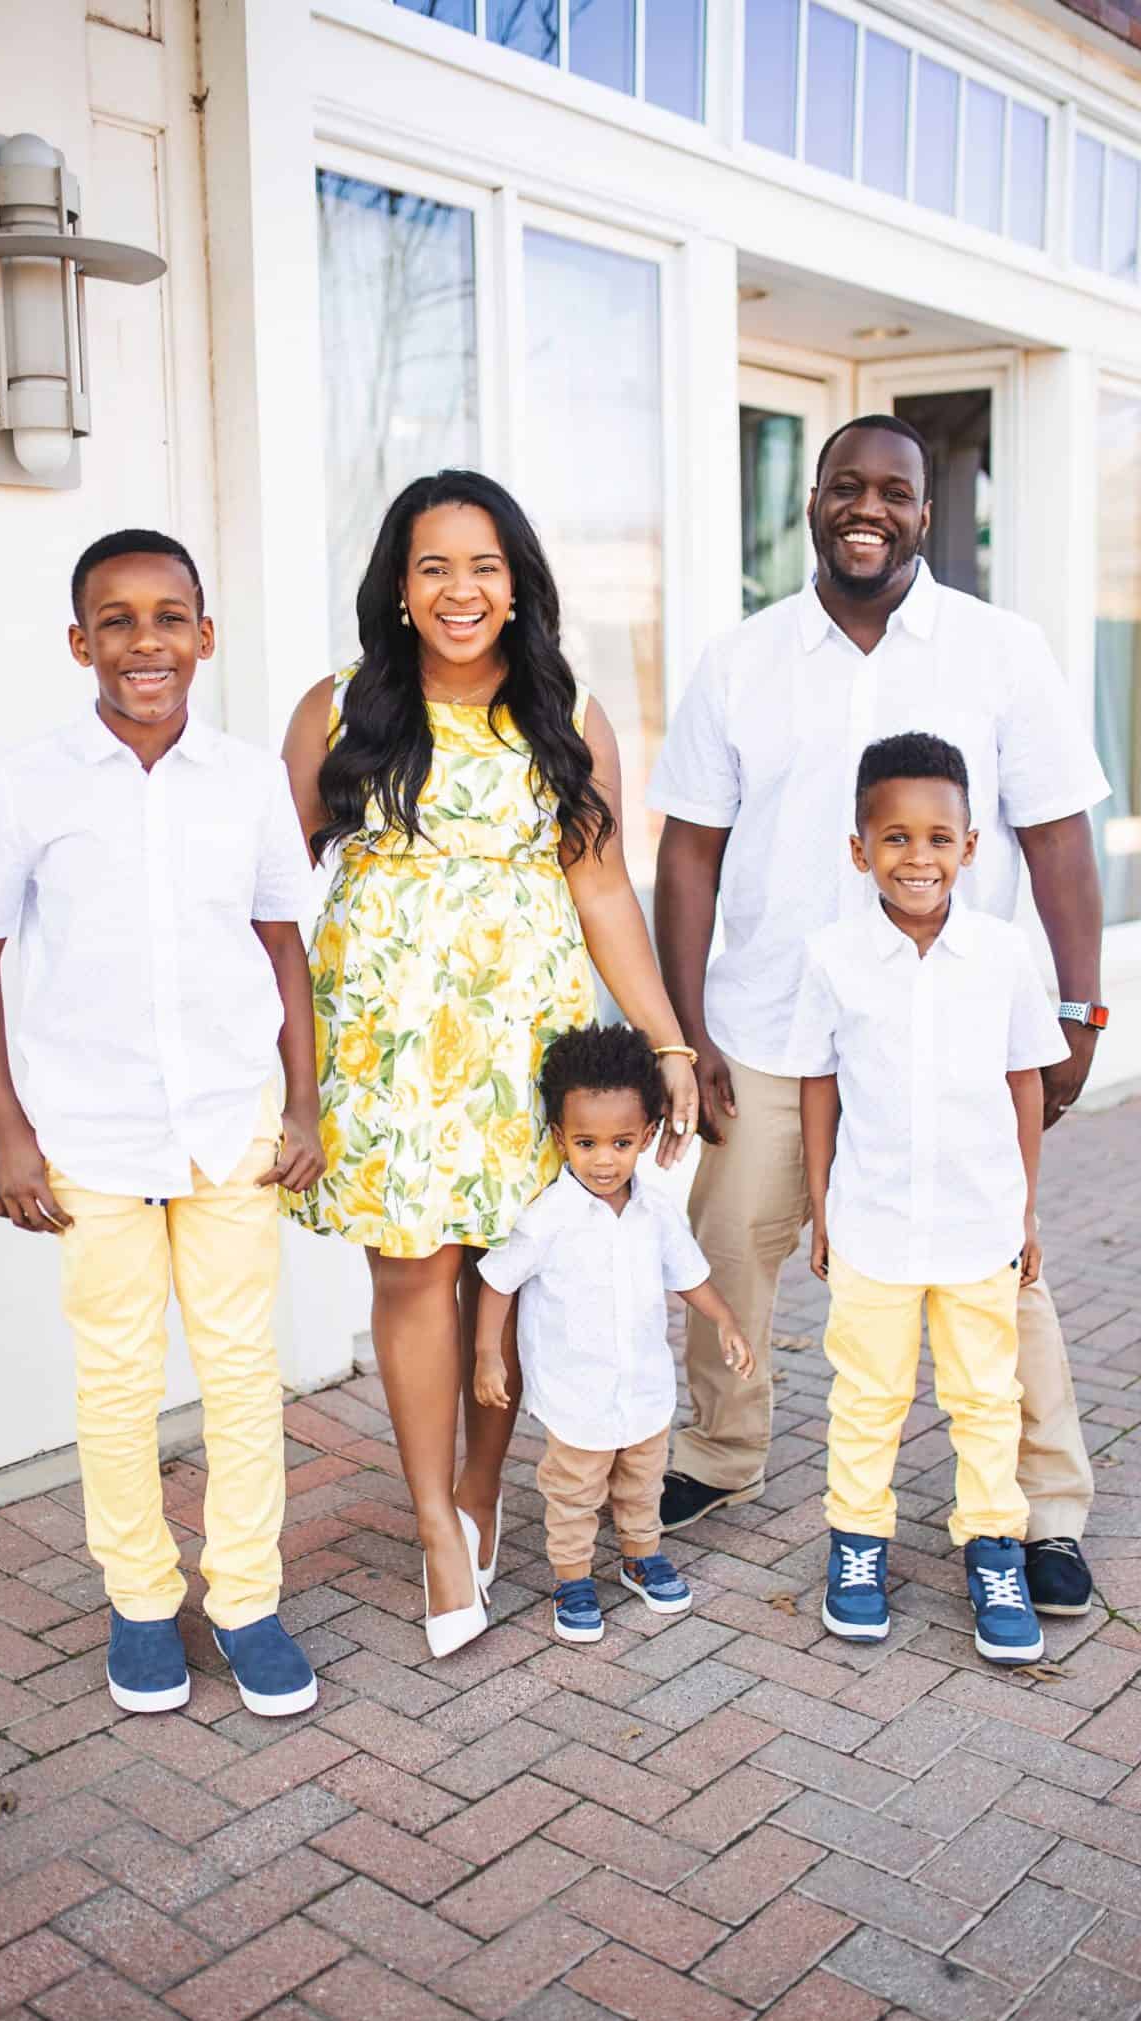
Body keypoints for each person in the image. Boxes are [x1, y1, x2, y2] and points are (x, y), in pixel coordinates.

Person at [648, 413, 1110, 1620]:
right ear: (811, 498)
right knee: (733, 1242)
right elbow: (688, 852)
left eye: (893, 490)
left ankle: (1043, 1506)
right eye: (845, 484)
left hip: (948, 1029)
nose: (869, 506)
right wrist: (684, 1033)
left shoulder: (1001, 650)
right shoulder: (741, 658)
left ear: (924, 511)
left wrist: (1076, 1006)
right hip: (764, 1024)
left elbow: (1059, 832)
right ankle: (719, 1451)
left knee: (998, 1265)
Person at [282, 471, 701, 1660]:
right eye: (433, 568)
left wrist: (665, 1038)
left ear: (516, 587)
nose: (459, 590)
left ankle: (480, 1485)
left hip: (527, 1048)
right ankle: (433, 1524)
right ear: (399, 588)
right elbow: (267, 897)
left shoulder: (567, 719)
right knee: (416, 1274)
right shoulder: (340, 708)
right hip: (387, 1047)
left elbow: (605, 887)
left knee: (505, 1279)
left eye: (482, 567)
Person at [0, 529, 326, 1719]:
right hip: (88, 1129)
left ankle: (247, 1597)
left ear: (205, 636)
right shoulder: (31, 782)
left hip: (227, 1121)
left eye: (169, 617)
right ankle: (142, 1600)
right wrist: (6, 1129)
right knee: (114, 1375)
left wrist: (304, 1101)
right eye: (117, 619)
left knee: (244, 1370)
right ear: (79, 642)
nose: (144, 640)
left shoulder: (248, 779)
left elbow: (282, 941)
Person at [792, 733, 1066, 1663]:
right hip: (870, 1223)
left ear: (970, 847)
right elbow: (818, 1086)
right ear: (859, 849)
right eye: (896, 838)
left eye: (939, 838)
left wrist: (1023, 1213)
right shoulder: (831, 956)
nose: (919, 858)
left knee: (985, 1394)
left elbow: (1025, 1082)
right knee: (866, 1396)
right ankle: (857, 1545)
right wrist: (822, 1209)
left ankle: (992, 1546)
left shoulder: (1000, 954)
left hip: (976, 1221)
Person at [473, 1024, 752, 1642]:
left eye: (621, 1142)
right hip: (577, 1392)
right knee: (574, 1491)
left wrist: (726, 1320)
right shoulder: (548, 1218)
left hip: (644, 1387)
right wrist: (486, 1357)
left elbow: (689, 1275)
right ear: (559, 1139)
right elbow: (497, 1282)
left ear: (647, 1136)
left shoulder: (655, 1211)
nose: (604, 1159)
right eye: (587, 1142)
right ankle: (572, 1578)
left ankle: (639, 1555)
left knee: (642, 1481)